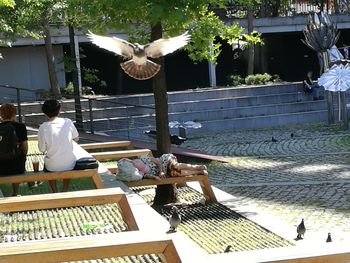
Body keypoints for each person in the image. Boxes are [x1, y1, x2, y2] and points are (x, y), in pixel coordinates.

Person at [38, 99, 79, 193]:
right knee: (68, 161)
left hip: (52, 165)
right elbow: (76, 138)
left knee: (48, 165)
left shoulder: (43, 127)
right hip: (69, 164)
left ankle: (54, 191)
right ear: (59, 110)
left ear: (45, 112)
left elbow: (42, 149)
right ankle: (64, 190)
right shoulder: (68, 122)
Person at [0, 104, 28, 196]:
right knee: (20, 156)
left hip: (1, 167)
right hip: (17, 167)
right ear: (14, 114)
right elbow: (25, 148)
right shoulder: (20, 127)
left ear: (1, 115)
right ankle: (15, 192)